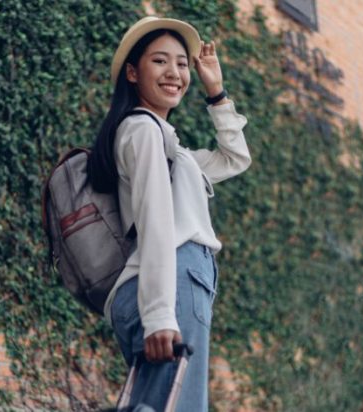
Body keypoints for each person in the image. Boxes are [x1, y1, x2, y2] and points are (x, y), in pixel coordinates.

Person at [88, 16, 251, 411]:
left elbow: (234, 159)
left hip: (166, 285)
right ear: (132, 72)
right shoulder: (143, 131)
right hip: (171, 284)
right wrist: (160, 315)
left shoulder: (172, 150)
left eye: (181, 63)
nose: (175, 72)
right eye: (160, 61)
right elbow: (155, 221)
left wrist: (216, 91)